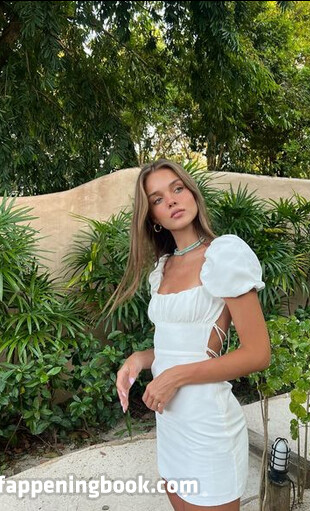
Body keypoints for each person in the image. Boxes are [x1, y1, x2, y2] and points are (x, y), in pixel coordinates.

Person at [105, 158, 271, 511]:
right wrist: (140, 359)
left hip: (208, 422)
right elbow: (180, 345)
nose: (172, 200)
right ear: (152, 216)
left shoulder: (224, 254)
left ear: (192, 193)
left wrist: (174, 377)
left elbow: (257, 354)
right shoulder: (162, 268)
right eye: (158, 199)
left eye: (177, 189)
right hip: (170, 420)